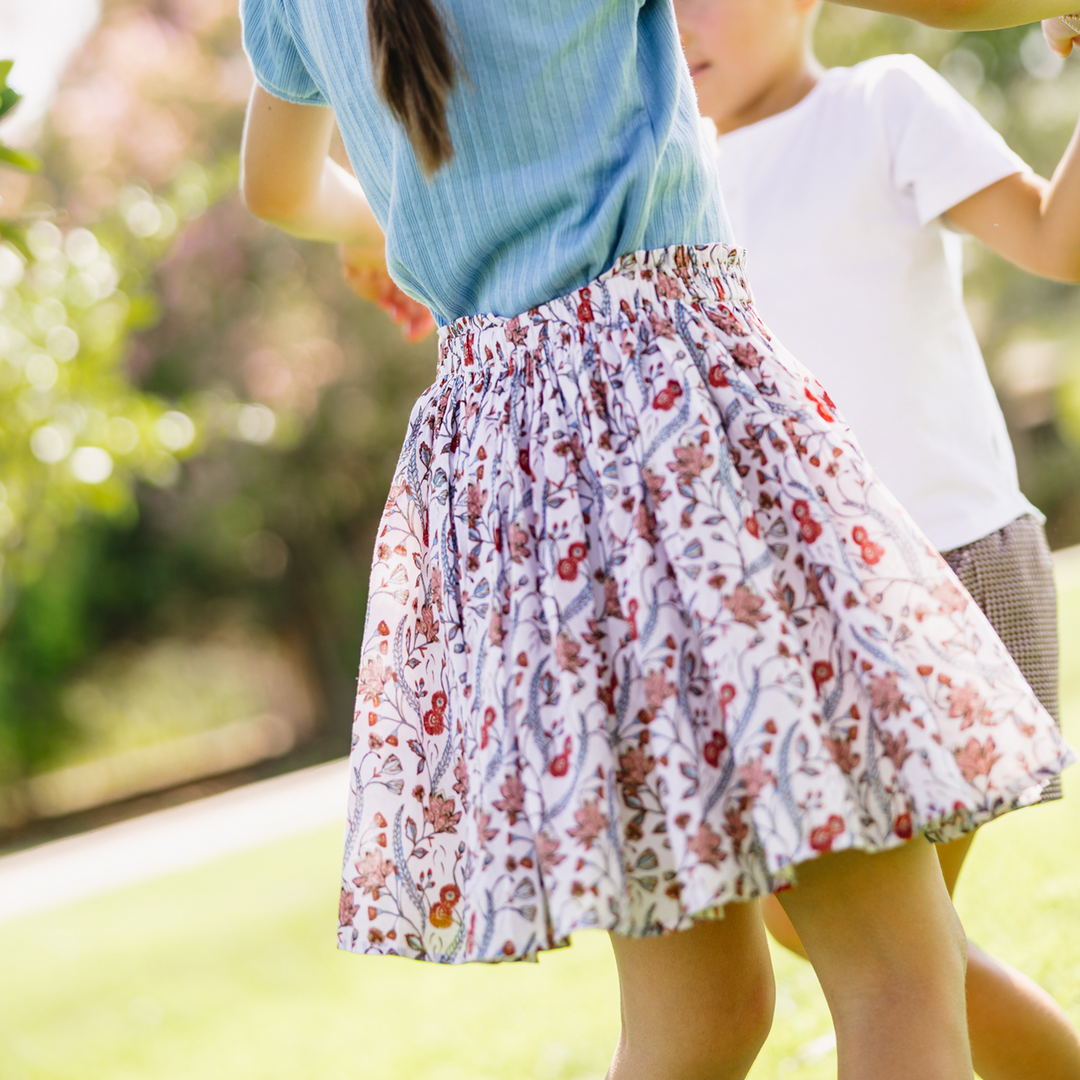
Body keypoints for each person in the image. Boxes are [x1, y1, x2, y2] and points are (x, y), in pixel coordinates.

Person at [237, 0, 1075, 1075]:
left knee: (702, 1015)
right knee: (895, 971)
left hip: (518, 501)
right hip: (676, 432)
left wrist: (381, 224)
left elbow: (274, 186)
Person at [674, 0, 1080, 1074]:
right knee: (879, 943)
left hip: (953, 574)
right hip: (818, 611)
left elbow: (1058, 238)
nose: (679, 23)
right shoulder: (671, 175)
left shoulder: (880, 101)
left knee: (875, 949)